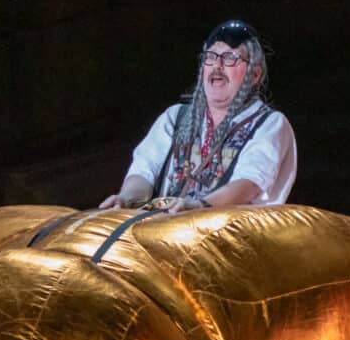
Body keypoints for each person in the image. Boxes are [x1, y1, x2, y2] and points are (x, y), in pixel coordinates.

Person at [100, 20, 296, 214]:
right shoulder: (175, 117)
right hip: (164, 227)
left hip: (228, 231)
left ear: (255, 74)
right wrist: (126, 199)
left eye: (230, 57)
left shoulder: (269, 124)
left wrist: (198, 206)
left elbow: (249, 183)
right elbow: (145, 170)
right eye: (211, 56)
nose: (217, 65)